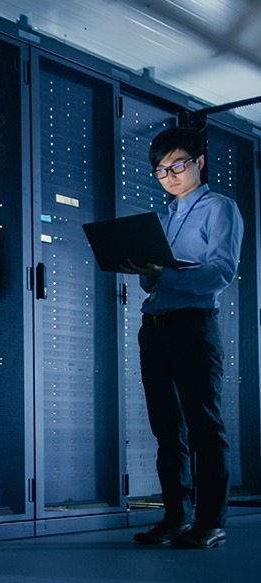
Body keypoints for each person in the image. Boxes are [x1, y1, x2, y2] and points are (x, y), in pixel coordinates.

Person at [123, 125, 243, 549]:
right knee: (167, 431)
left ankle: (211, 522)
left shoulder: (219, 209)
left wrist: (165, 274)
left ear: (200, 163)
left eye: (178, 164)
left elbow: (220, 272)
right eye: (160, 169)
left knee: (204, 428)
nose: (170, 174)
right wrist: (148, 274)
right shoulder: (164, 219)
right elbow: (156, 284)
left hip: (193, 325)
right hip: (154, 329)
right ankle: (176, 517)